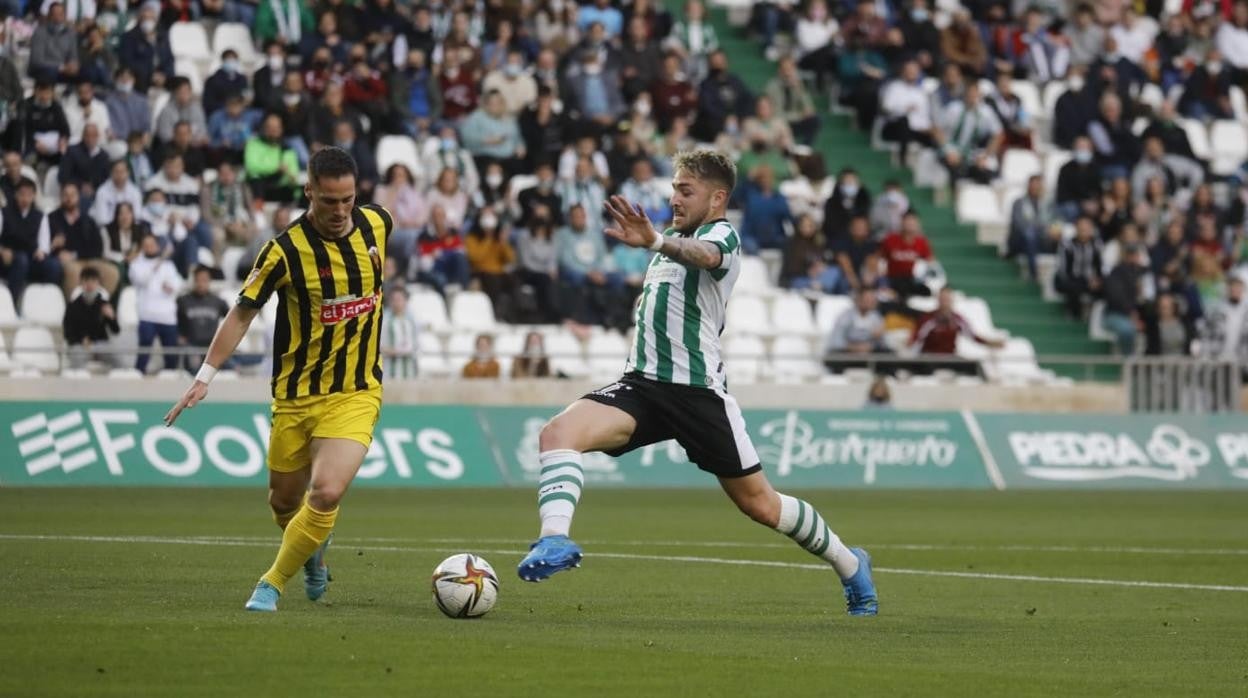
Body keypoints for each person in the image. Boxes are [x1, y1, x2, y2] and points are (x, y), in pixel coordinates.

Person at [517, 150, 878, 617]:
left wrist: (654, 242)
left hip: (697, 394)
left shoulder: (720, 235)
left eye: (686, 191)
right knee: (557, 434)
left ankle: (851, 565)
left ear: (718, 197)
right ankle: (554, 541)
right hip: (643, 386)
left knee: (762, 506)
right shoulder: (668, 236)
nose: (675, 199)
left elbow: (705, 256)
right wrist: (655, 241)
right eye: (673, 190)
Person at [165, 147, 392, 613]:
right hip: (294, 398)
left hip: (356, 391)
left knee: (326, 492)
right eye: (329, 200)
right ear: (309, 192)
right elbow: (242, 313)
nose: (340, 210)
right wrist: (204, 376)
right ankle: (313, 555)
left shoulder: (378, 224)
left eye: (348, 199)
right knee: (283, 502)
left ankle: (271, 583)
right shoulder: (284, 251)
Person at [910, 287, 1005, 376]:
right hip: (930, 357)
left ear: (952, 301)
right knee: (922, 369)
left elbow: (972, 336)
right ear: (938, 300)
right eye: (942, 299)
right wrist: (909, 345)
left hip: (950, 358)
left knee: (975, 367)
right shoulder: (928, 318)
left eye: (947, 299)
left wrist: (990, 343)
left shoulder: (957, 319)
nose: (945, 302)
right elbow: (917, 337)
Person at [0, 178, 62, 303]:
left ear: (34, 196)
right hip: (8, 257)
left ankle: (45, 302)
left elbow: (43, 243)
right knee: (21, 260)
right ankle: (12, 303)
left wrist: (42, 252)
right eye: (22, 194)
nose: (25, 198)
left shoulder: (40, 216)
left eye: (29, 195)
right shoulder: (4, 212)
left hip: (31, 257)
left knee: (54, 265)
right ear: (16, 195)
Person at [129, 231, 181, 373]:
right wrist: (161, 259)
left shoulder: (169, 266)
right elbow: (142, 279)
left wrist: (171, 287)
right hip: (147, 316)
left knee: (171, 355)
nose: (150, 248)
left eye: (152, 245)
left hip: (167, 317)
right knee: (144, 354)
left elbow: (178, 284)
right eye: (146, 245)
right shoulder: (136, 265)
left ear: (157, 246)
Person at [63, 264, 119, 369]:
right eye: (86, 281)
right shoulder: (73, 306)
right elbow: (68, 332)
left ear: (98, 284)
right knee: (77, 358)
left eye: (93, 281)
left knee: (117, 358)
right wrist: (81, 339)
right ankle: (77, 384)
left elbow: (116, 330)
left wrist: (112, 318)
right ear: (81, 283)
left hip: (100, 345)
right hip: (80, 345)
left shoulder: (104, 304)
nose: (89, 285)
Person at [176, 265, 229, 373]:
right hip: (192, 345)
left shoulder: (218, 301)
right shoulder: (183, 301)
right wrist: (180, 336)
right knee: (195, 369)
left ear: (209, 281)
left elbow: (233, 320)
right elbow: (175, 322)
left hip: (212, 347)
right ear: (194, 281)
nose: (201, 284)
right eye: (198, 280)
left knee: (232, 365)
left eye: (204, 280)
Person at [824, 288, 890, 373]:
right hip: (849, 355)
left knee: (888, 356)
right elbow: (836, 341)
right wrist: (856, 348)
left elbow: (883, 344)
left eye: (873, 300)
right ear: (859, 300)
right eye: (868, 299)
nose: (871, 302)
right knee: (834, 358)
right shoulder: (845, 316)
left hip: (868, 355)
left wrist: (877, 339)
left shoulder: (876, 317)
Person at [380, 284, 419, 379]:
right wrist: (394, 351)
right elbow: (377, 346)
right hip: (390, 373)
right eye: (394, 300)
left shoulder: (413, 320)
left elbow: (417, 345)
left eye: (399, 299)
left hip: (410, 373)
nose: (396, 303)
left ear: (406, 301)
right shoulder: (383, 320)